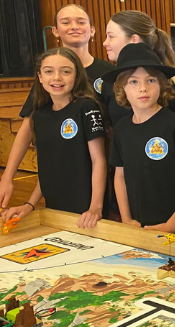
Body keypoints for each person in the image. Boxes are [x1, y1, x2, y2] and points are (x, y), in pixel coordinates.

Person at [0, 4, 112, 209]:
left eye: (80, 21)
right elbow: (28, 129)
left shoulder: (108, 72)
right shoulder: (46, 94)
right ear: (55, 31)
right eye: (66, 22)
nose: (74, 26)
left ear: (92, 30)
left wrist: (99, 206)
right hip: (62, 189)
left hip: (101, 179)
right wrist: (8, 178)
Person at [103, 43, 175, 236]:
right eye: (133, 82)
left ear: (161, 84)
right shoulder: (121, 129)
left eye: (150, 80)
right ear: (121, 88)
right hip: (140, 228)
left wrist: (172, 225)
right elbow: (120, 176)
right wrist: (126, 219)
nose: (143, 88)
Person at [1, 48, 106, 229]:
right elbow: (48, 169)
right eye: (49, 71)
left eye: (66, 71)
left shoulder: (86, 107)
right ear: (40, 77)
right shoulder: (39, 116)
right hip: (54, 208)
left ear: (77, 75)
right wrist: (30, 204)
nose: (57, 78)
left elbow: (99, 160)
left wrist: (95, 207)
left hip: (86, 211)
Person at [101, 10, 175, 126]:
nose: (105, 42)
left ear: (134, 40)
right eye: (133, 82)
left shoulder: (171, 79)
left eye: (111, 36)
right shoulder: (109, 83)